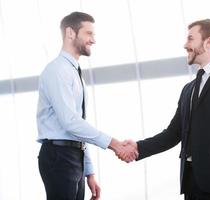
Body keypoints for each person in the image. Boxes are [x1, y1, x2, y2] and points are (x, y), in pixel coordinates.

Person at [123, 19, 210, 200]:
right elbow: (173, 133)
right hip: (190, 181)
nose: (185, 45)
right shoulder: (188, 89)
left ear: (208, 42)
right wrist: (138, 147)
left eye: (190, 39)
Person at [37, 11, 137, 200]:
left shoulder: (74, 72)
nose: (93, 40)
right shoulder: (57, 71)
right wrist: (115, 145)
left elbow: (79, 126)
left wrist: (88, 171)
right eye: (89, 33)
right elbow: (70, 122)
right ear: (70, 33)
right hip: (59, 156)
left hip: (73, 156)